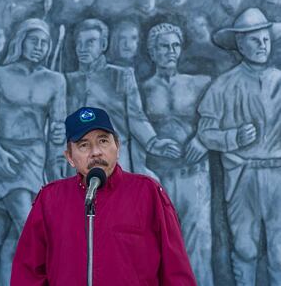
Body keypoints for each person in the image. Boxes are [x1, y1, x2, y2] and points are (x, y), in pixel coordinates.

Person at [11, 106, 197, 285]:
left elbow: (176, 270)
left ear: (117, 146)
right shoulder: (50, 199)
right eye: (84, 145)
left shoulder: (147, 192)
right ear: (69, 157)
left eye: (103, 141)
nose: (96, 152)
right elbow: (28, 273)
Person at [0, 18, 66, 283]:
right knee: (30, 225)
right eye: (33, 40)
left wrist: (59, 136)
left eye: (44, 43)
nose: (38, 47)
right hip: (8, 158)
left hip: (37, 157)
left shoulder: (55, 80)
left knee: (16, 238)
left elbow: (58, 123)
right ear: (21, 41)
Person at [198, 7, 281, 285]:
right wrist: (233, 137)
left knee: (280, 252)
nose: (262, 45)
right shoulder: (223, 86)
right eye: (255, 40)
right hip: (242, 176)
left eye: (266, 40)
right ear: (240, 44)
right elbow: (205, 132)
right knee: (244, 248)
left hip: (278, 175)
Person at [139, 23, 214, 286]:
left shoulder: (200, 84)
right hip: (158, 178)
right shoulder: (143, 90)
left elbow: (217, 119)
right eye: (163, 46)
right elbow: (133, 129)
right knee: (158, 247)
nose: (170, 51)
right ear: (152, 51)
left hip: (194, 176)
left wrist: (203, 140)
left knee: (198, 247)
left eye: (175, 46)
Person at [66, 18, 176, 176]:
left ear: (103, 45)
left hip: (115, 158)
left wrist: (152, 143)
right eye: (79, 43)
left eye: (90, 42)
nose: (83, 48)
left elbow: (135, 115)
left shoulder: (121, 75)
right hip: (79, 160)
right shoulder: (68, 80)